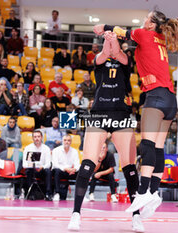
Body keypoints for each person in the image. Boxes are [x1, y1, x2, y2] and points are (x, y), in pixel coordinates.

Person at [93, 10, 178, 215]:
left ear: (151, 24)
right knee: (158, 147)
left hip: (156, 96)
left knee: (147, 144)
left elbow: (122, 32)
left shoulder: (145, 33)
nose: (144, 20)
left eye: (147, 17)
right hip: (170, 98)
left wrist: (104, 27)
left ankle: (143, 192)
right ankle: (153, 192)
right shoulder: (160, 38)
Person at [68, 31, 143, 232]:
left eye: (113, 42)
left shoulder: (126, 60)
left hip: (122, 114)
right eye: (107, 43)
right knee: (87, 164)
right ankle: (76, 214)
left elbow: (119, 55)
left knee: (129, 168)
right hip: (99, 113)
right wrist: (108, 40)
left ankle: (136, 217)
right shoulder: (99, 61)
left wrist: (112, 38)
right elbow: (104, 54)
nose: (110, 46)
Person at [22, 130, 52, 200]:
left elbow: (48, 163)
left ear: (41, 137)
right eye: (35, 137)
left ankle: (48, 194)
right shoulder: (28, 148)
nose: (37, 138)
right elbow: (24, 164)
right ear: (32, 138)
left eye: (38, 136)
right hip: (32, 169)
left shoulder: (46, 148)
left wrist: (42, 167)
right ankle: (31, 194)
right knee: (29, 171)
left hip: (42, 170)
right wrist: (32, 166)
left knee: (48, 171)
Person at [52, 135, 80, 201]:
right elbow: (55, 164)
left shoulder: (75, 151)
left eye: (68, 140)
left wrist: (74, 169)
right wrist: (66, 169)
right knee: (57, 171)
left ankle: (80, 195)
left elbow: (77, 164)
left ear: (71, 142)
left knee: (80, 173)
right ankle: (57, 193)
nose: (67, 142)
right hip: (60, 171)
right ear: (62, 141)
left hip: (70, 172)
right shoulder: (56, 150)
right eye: (65, 140)